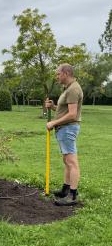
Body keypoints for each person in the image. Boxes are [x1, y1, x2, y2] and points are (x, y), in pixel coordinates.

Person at [45, 63, 83, 206]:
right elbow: (66, 111)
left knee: (72, 162)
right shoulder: (68, 88)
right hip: (65, 129)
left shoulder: (73, 89)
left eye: (58, 74)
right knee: (67, 161)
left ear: (66, 73)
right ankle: (65, 190)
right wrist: (53, 107)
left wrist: (53, 123)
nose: (57, 77)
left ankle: (72, 196)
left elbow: (73, 115)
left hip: (67, 129)